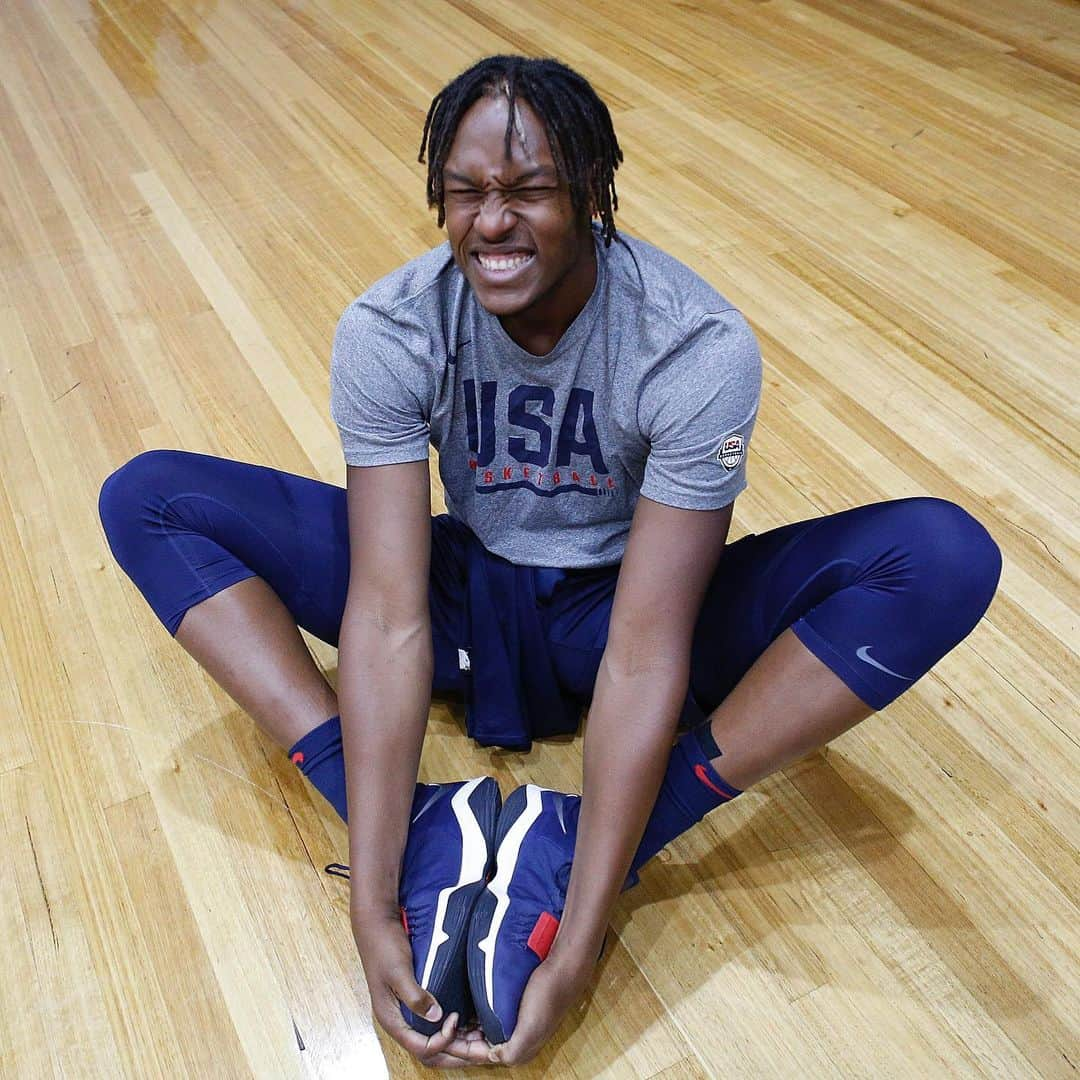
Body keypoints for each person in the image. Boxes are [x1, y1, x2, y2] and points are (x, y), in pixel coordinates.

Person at [98, 54, 1002, 1069]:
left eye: (529, 191)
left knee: (940, 556)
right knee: (150, 498)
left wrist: (576, 936)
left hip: (620, 609)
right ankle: (415, 824)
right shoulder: (393, 326)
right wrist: (376, 894)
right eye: (465, 192)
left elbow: (649, 647)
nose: (492, 223)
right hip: (462, 601)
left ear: (592, 193)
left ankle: (586, 850)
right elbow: (391, 612)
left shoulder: (691, 344)